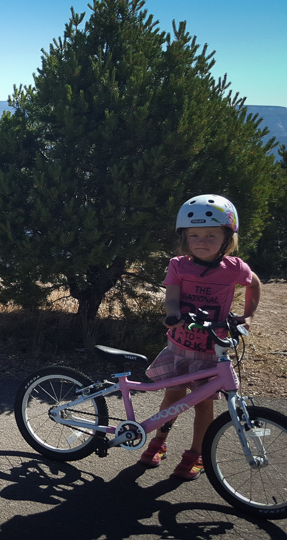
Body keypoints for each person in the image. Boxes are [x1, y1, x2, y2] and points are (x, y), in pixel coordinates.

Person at [138, 194, 261, 480]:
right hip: (181, 345)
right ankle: (158, 441)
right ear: (184, 237)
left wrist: (249, 315)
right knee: (173, 396)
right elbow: (171, 298)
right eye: (194, 235)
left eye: (210, 234)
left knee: (203, 404)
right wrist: (172, 314)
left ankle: (196, 454)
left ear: (227, 237)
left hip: (212, 351)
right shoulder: (179, 265)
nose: (201, 241)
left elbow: (254, 284)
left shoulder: (235, 268)